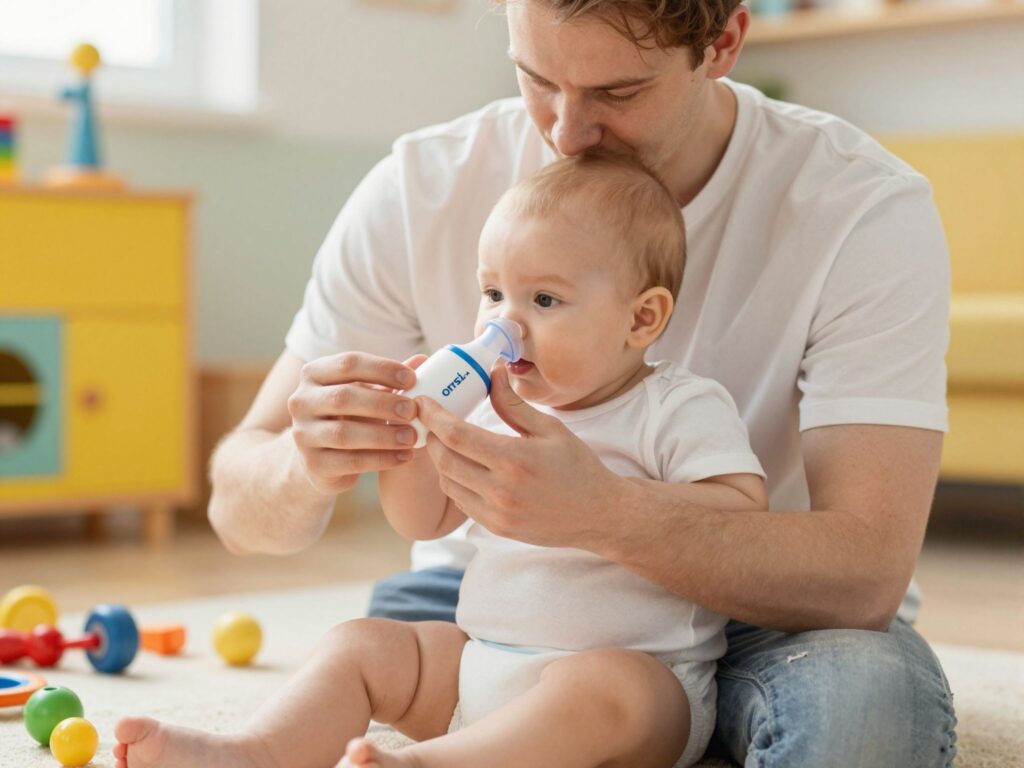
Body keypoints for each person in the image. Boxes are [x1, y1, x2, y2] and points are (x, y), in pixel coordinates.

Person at [205, 0, 957, 764]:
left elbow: (863, 578)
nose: (563, 133)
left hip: (770, 604)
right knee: (360, 649)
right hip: (481, 605)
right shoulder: (419, 187)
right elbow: (241, 508)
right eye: (536, 77)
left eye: (619, 93)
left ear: (723, 41)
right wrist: (328, 455)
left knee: (868, 718)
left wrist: (604, 515)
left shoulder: (860, 208)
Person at [114, 152, 767, 768]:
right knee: (363, 644)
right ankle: (254, 752)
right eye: (492, 294)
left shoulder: (678, 406)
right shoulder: (485, 402)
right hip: (480, 666)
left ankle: (429, 763)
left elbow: (741, 518)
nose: (504, 325)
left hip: (639, 692)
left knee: (606, 684)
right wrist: (410, 433)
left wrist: (604, 504)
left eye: (544, 301)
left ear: (642, 319)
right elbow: (421, 522)